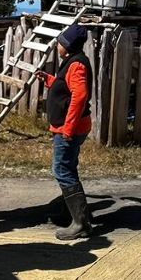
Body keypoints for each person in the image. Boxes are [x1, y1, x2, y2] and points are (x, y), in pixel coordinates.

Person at [34, 24, 93, 241]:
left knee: (62, 169)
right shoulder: (72, 62)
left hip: (70, 128)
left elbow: (79, 96)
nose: (57, 44)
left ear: (66, 46)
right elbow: (66, 88)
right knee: (68, 167)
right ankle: (72, 212)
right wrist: (50, 80)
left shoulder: (76, 64)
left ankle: (81, 223)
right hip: (72, 126)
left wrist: (68, 129)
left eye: (60, 41)